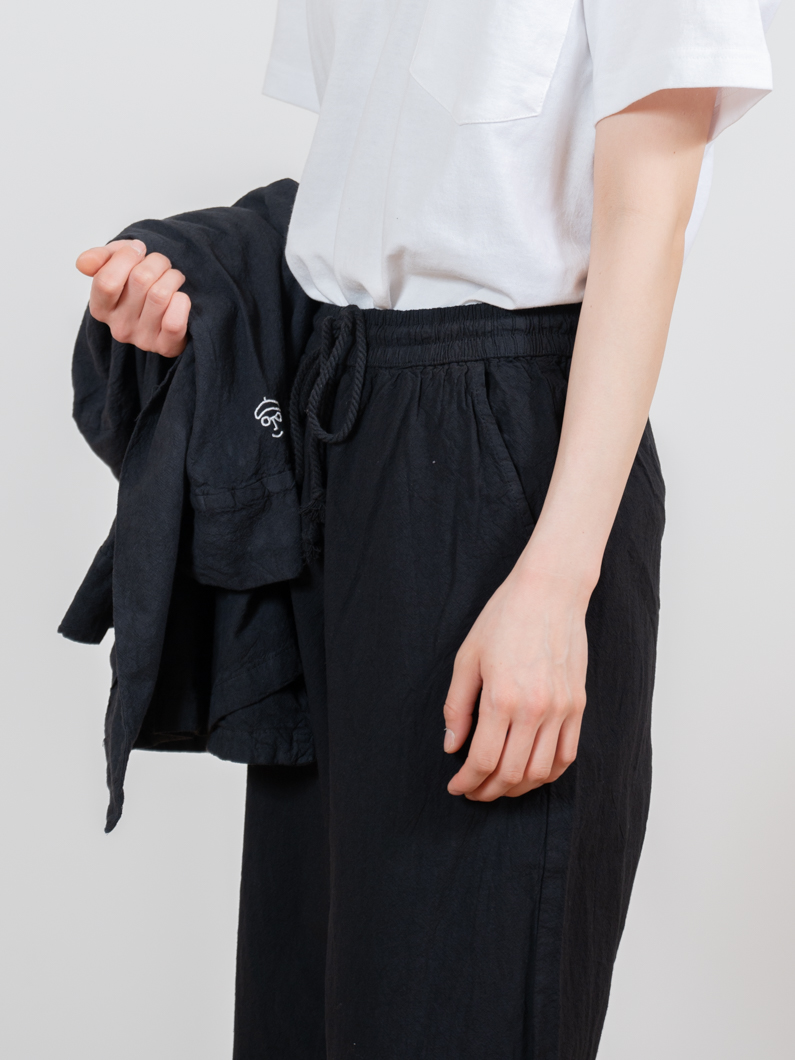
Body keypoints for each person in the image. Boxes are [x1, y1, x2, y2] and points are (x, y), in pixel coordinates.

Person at [75, 1, 779, 1057]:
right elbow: (382, 180)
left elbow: (649, 215)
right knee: (308, 1010)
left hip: (508, 454)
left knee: (459, 1001)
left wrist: (556, 583)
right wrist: (195, 279)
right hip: (341, 429)